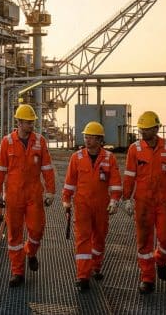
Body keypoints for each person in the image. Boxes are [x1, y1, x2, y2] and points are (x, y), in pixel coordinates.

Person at [121, 111, 166, 294]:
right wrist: (126, 199)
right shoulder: (134, 149)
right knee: (144, 241)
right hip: (143, 203)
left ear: (156, 129)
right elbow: (129, 175)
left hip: (164, 202)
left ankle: (160, 260)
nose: (143, 132)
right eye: (141, 129)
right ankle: (147, 278)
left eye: (147, 129)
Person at [0, 103, 57, 287]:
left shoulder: (40, 141)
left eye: (32, 122)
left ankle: (31, 252)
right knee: (14, 234)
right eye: (28, 122)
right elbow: (0, 169)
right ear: (19, 123)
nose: (31, 125)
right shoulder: (7, 142)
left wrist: (50, 191)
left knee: (37, 229)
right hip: (13, 196)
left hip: (34, 194)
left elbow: (47, 168)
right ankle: (17, 272)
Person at [61, 121, 122, 292]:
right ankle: (83, 276)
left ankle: (96, 266)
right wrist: (66, 199)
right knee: (82, 239)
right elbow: (70, 181)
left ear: (100, 140)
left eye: (91, 137)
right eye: (86, 137)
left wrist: (114, 201)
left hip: (102, 206)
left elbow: (115, 183)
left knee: (100, 237)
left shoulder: (109, 158)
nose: (87, 140)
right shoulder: (77, 158)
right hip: (82, 205)